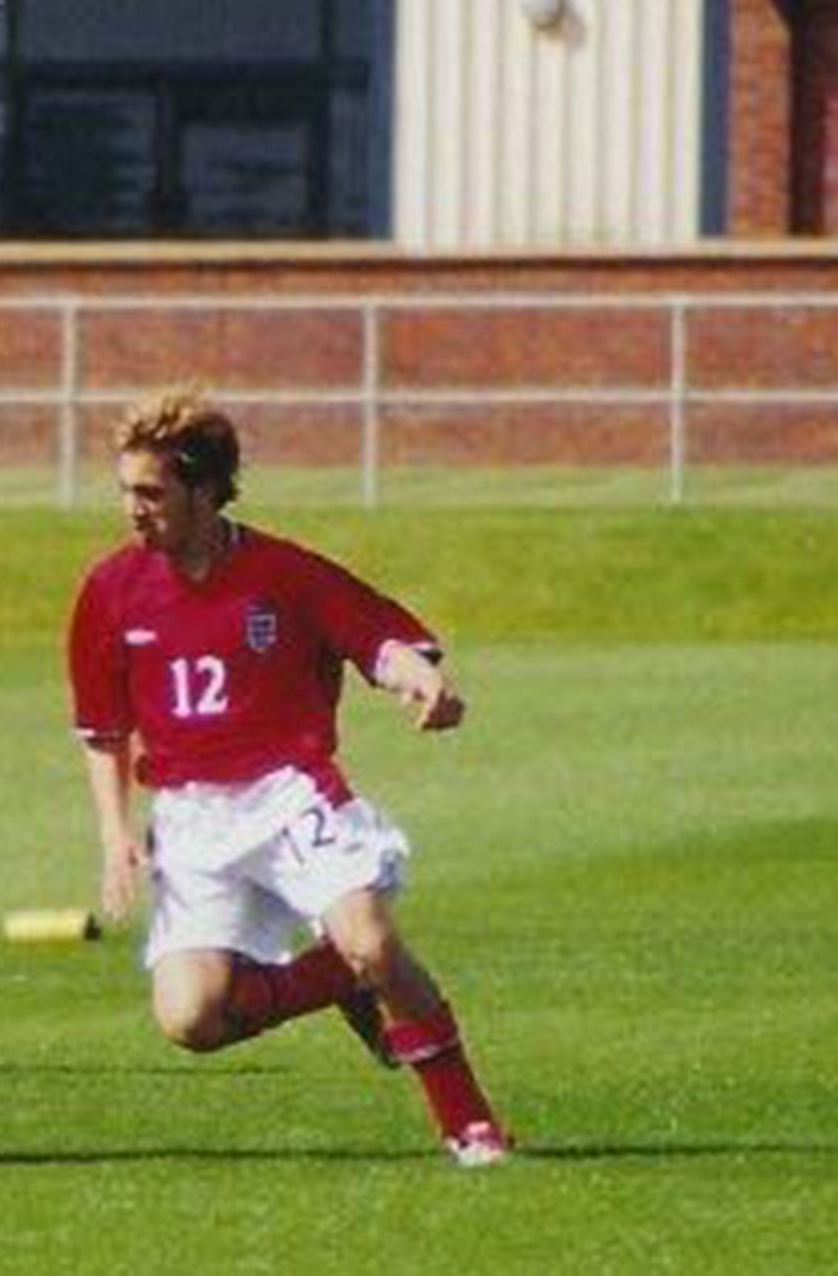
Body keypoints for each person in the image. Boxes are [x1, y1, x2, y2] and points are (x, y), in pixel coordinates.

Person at [66, 387, 511, 1167]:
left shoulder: (283, 572)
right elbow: (103, 732)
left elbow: (378, 639)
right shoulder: (109, 591)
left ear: (204, 490)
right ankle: (336, 981)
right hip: (193, 818)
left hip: (290, 793)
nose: (133, 510)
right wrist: (114, 837)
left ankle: (469, 1122)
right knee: (191, 1019)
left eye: (151, 492)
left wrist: (423, 683)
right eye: (125, 492)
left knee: (373, 944)